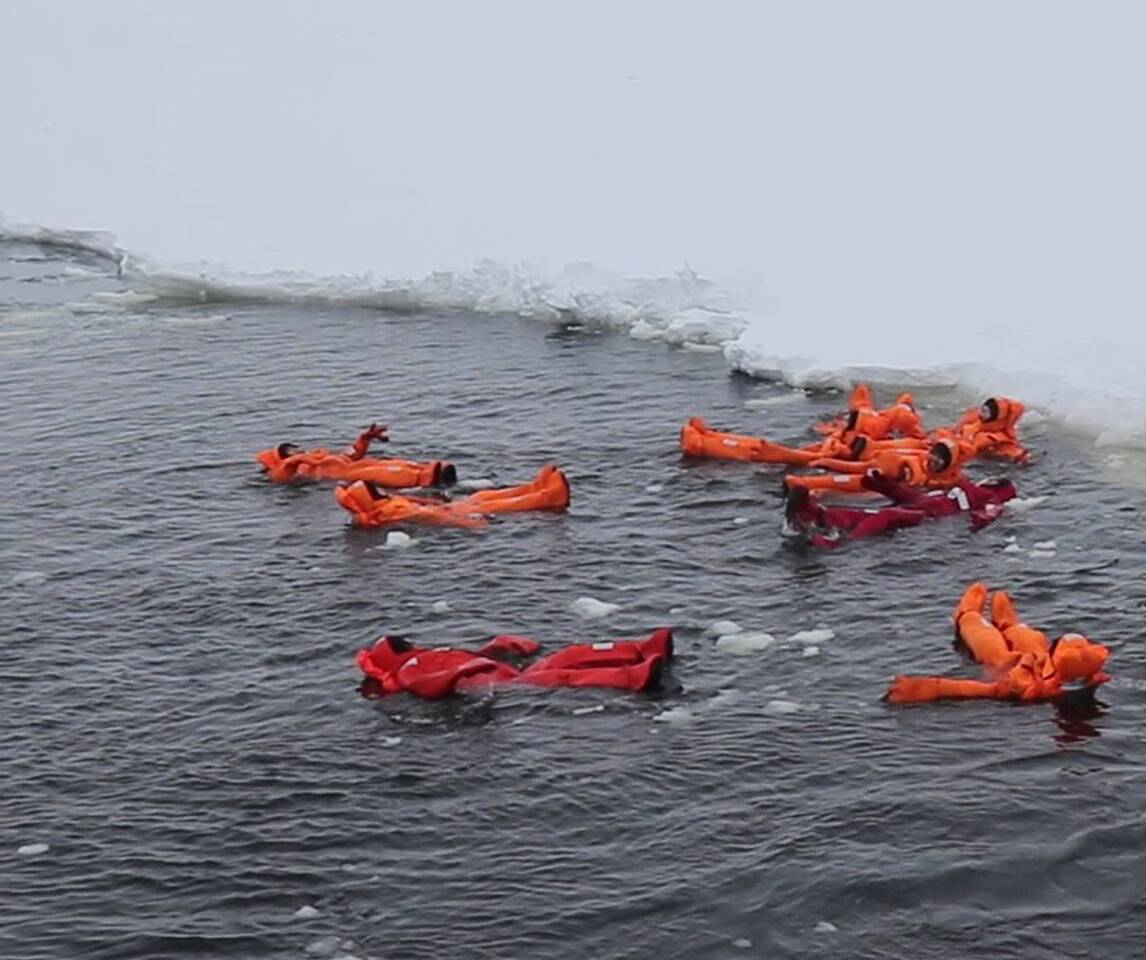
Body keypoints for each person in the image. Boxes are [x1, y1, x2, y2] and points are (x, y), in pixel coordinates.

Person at [885, 583, 1111, 704]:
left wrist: (923, 687)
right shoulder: (1082, 674)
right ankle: (1007, 622)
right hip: (1031, 657)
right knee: (1029, 638)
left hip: (1002, 666)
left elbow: (978, 689)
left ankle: (967, 614)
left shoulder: (1026, 686)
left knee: (988, 642)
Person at [355, 629, 673, 699]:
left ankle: (641, 648)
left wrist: (497, 647)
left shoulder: (429, 651)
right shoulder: (408, 668)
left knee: (569, 654)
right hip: (500, 685)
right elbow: (424, 686)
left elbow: (473, 658)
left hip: (505, 673)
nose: (409, 642)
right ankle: (633, 676)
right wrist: (459, 673)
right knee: (560, 675)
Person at [783, 473, 1015, 548]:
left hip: (927, 519)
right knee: (866, 515)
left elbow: (989, 514)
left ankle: (837, 543)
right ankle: (813, 515)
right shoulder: (955, 490)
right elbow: (913, 496)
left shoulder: (988, 498)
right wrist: (881, 484)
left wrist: (976, 523)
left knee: (887, 516)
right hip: (920, 507)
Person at [334, 464, 571, 528]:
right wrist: (467, 523)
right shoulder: (389, 511)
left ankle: (533, 487)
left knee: (482, 496)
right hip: (451, 514)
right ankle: (546, 497)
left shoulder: (386, 503)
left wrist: (433, 501)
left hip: (448, 508)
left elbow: (418, 504)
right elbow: (428, 517)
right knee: (492, 505)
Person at [256, 423, 455, 487]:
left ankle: (425, 469)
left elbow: (351, 454)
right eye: (288, 451)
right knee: (374, 472)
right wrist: (297, 459)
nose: (296, 451)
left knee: (379, 463)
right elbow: (280, 475)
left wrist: (365, 439)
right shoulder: (287, 471)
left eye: (294, 448)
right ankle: (422, 478)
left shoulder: (318, 457)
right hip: (345, 476)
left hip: (350, 466)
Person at [954, 396, 1029, 462]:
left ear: (994, 416)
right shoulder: (973, 420)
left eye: (985, 412)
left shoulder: (995, 436)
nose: (981, 413)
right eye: (982, 409)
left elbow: (1010, 449)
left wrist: (1019, 456)